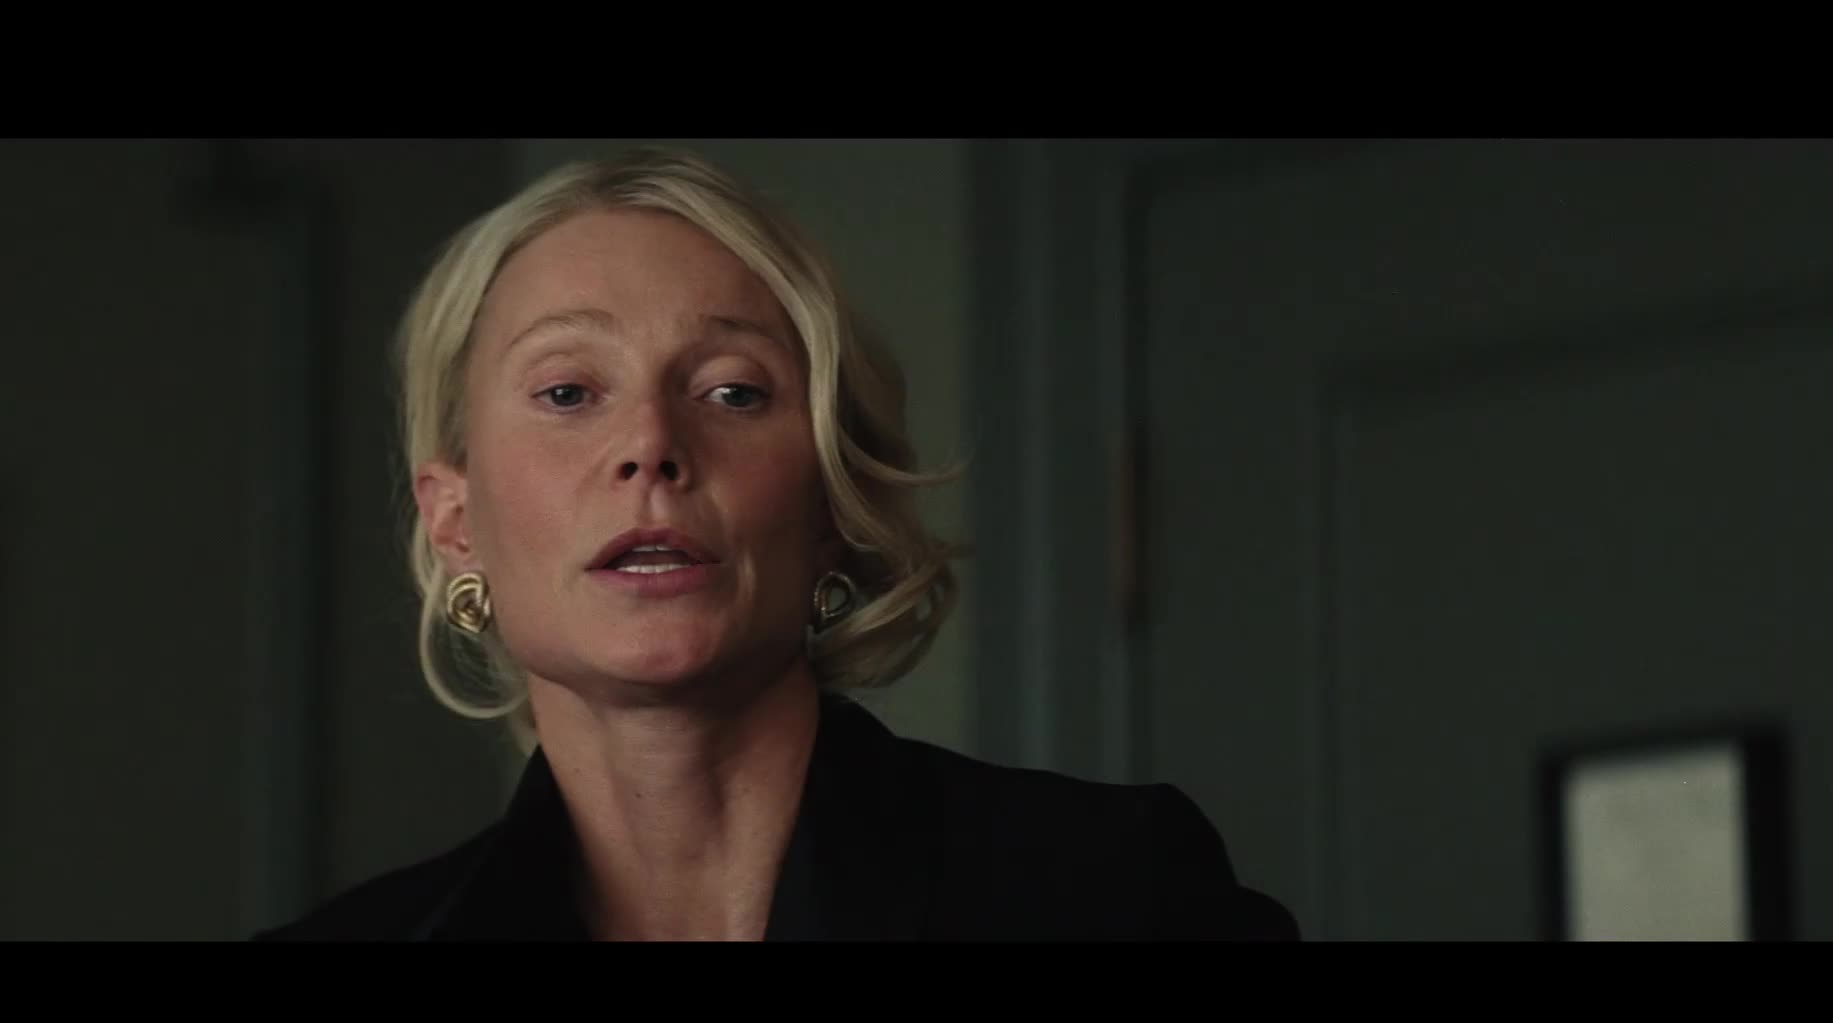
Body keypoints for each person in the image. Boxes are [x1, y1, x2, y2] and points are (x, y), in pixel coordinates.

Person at [255, 147, 1299, 942]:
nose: (652, 444)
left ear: (833, 504)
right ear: (454, 521)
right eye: (567, 392)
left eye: (732, 392)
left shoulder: (1117, 892)